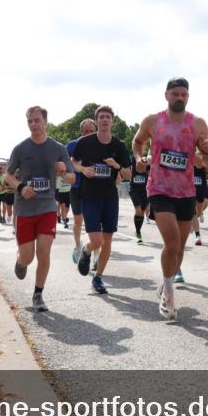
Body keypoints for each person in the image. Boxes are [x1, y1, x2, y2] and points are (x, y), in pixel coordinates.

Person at [132, 77, 208, 318]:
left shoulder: (198, 124)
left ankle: (165, 283)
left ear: (188, 97)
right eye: (175, 94)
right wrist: (139, 158)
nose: (180, 98)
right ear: (166, 95)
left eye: (184, 94)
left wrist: (207, 158)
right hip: (159, 188)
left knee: (179, 249)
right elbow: (137, 142)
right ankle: (168, 296)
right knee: (171, 244)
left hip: (186, 191)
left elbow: (206, 159)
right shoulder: (153, 120)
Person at [4, 106, 75, 312]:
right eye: (30, 121)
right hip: (24, 208)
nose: (33, 124)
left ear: (45, 121)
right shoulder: (20, 149)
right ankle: (20, 261)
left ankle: (38, 294)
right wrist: (20, 186)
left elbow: (72, 177)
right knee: (29, 256)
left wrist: (63, 174)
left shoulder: (58, 148)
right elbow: (8, 176)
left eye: (37, 120)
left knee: (44, 252)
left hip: (47, 207)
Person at [74, 106, 133, 294]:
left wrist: (117, 165)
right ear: (96, 120)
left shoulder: (119, 145)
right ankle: (86, 250)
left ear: (112, 121)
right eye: (101, 117)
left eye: (108, 117)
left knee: (107, 239)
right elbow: (71, 163)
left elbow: (128, 174)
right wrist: (83, 170)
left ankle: (98, 277)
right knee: (97, 241)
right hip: (90, 196)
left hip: (110, 197)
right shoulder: (85, 142)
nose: (105, 120)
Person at [66, 118, 98, 264]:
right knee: (78, 221)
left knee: (95, 222)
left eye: (91, 131)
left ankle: (96, 254)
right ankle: (78, 246)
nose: (88, 134)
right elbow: (65, 163)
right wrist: (74, 167)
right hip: (77, 188)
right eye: (85, 131)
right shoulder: (73, 145)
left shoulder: (100, 144)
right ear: (81, 131)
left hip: (94, 189)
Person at [129, 155, 151, 243]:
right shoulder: (132, 159)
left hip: (144, 190)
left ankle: (138, 230)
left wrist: (148, 165)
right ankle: (138, 232)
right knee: (138, 210)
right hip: (134, 189)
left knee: (142, 212)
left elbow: (150, 171)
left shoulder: (146, 160)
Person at [192, 150, 208, 246]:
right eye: (197, 155)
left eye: (200, 155)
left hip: (201, 190)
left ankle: (192, 225)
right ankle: (197, 235)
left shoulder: (203, 165)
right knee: (193, 213)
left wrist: (207, 168)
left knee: (198, 212)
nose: (198, 157)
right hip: (190, 191)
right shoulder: (189, 163)